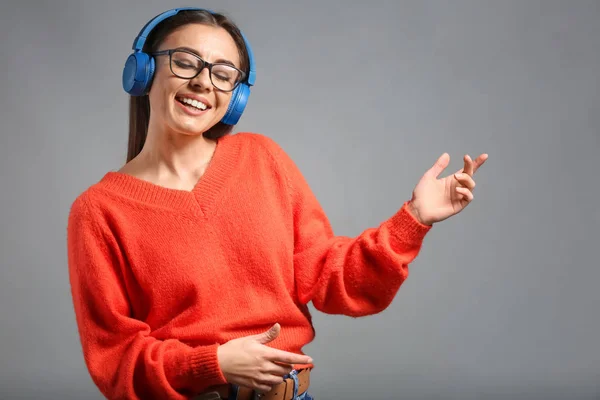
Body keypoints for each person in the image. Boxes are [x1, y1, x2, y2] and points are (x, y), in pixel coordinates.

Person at [66, 7, 488, 400]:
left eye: (223, 73)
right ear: (143, 71)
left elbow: (332, 278)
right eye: (185, 61)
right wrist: (213, 363)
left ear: (236, 95)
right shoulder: (99, 211)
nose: (203, 82)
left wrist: (413, 219)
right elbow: (115, 358)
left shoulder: (262, 158)